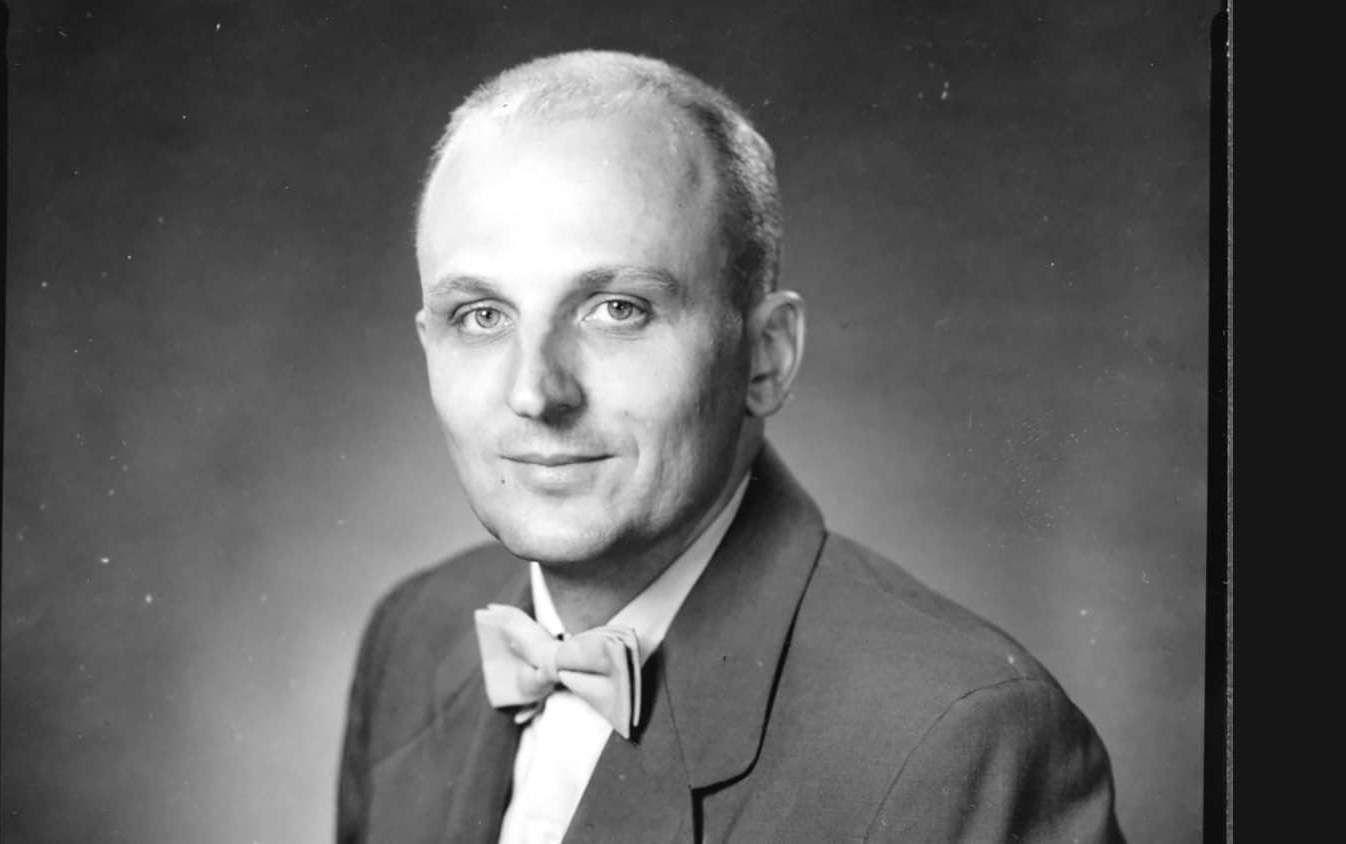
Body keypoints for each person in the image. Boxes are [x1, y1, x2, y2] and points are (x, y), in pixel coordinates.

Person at [336, 50, 1124, 844]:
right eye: (480, 315)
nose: (536, 393)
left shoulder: (964, 741)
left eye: (616, 309)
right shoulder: (411, 635)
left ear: (766, 356)